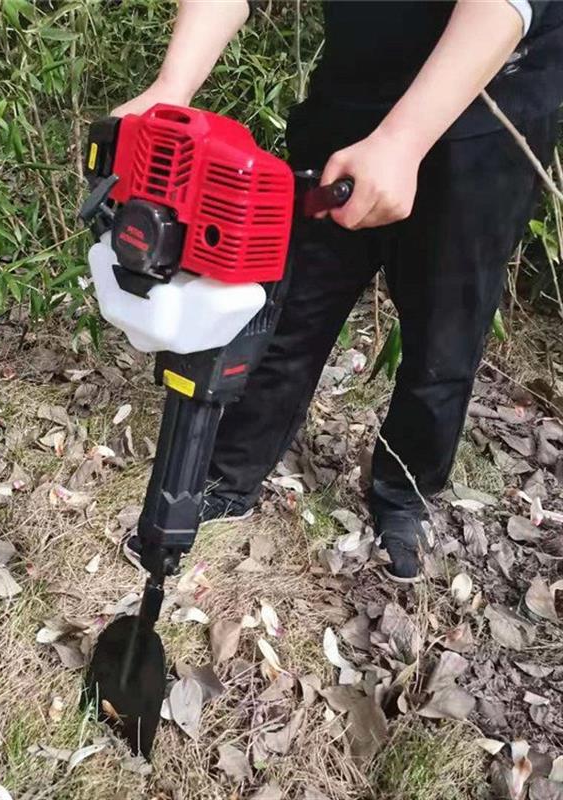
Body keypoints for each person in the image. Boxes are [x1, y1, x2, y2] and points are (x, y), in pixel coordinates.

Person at [118, 0, 563, 582]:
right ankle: (232, 471)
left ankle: (403, 496)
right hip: (351, 96)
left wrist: (403, 141)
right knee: (290, 299)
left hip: (488, 114)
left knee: (444, 332)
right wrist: (172, 85)